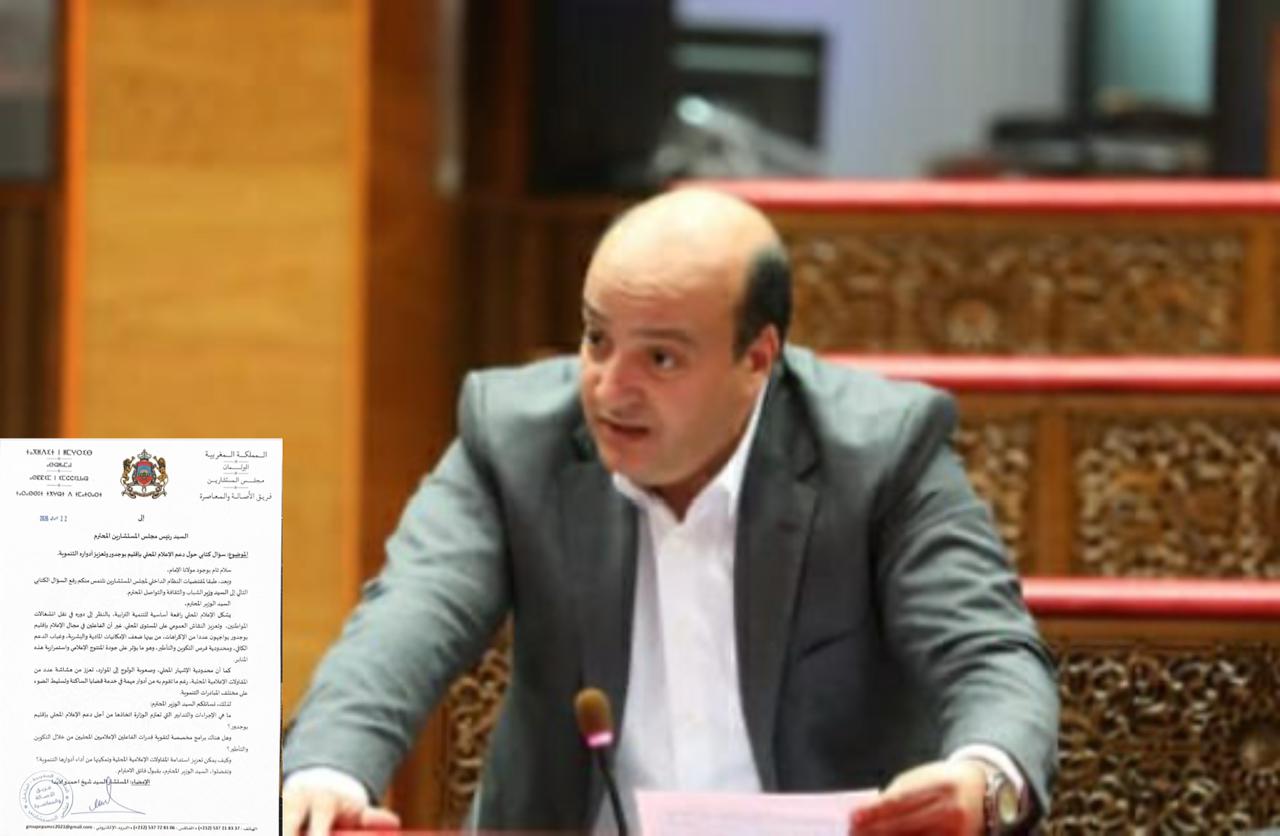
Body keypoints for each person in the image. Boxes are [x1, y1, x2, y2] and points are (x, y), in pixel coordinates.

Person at [281, 189, 1059, 835]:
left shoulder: (880, 453)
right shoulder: (516, 439)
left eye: (660, 358)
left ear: (757, 359)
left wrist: (982, 780)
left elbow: (990, 658)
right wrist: (329, 772)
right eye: (596, 339)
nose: (610, 388)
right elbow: (407, 618)